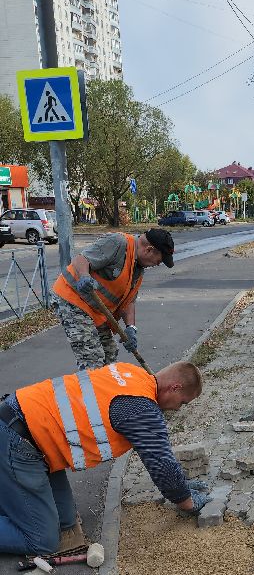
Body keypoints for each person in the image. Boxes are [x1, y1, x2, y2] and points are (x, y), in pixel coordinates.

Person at [0, 360, 207, 556]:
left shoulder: (130, 373)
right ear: (175, 387)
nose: (178, 408)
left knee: (66, 523)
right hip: (18, 440)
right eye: (183, 402)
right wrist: (187, 501)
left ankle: (12, 495)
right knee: (43, 540)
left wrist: (183, 488)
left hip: (29, 429)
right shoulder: (141, 408)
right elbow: (163, 466)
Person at [51, 228, 175, 370]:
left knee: (110, 354)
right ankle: (89, 390)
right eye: (158, 261)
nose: (157, 264)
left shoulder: (138, 268)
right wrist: (84, 276)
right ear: (149, 250)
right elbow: (81, 259)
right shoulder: (117, 243)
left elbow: (129, 301)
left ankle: (106, 389)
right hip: (73, 300)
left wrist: (130, 328)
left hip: (97, 311)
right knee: (92, 359)